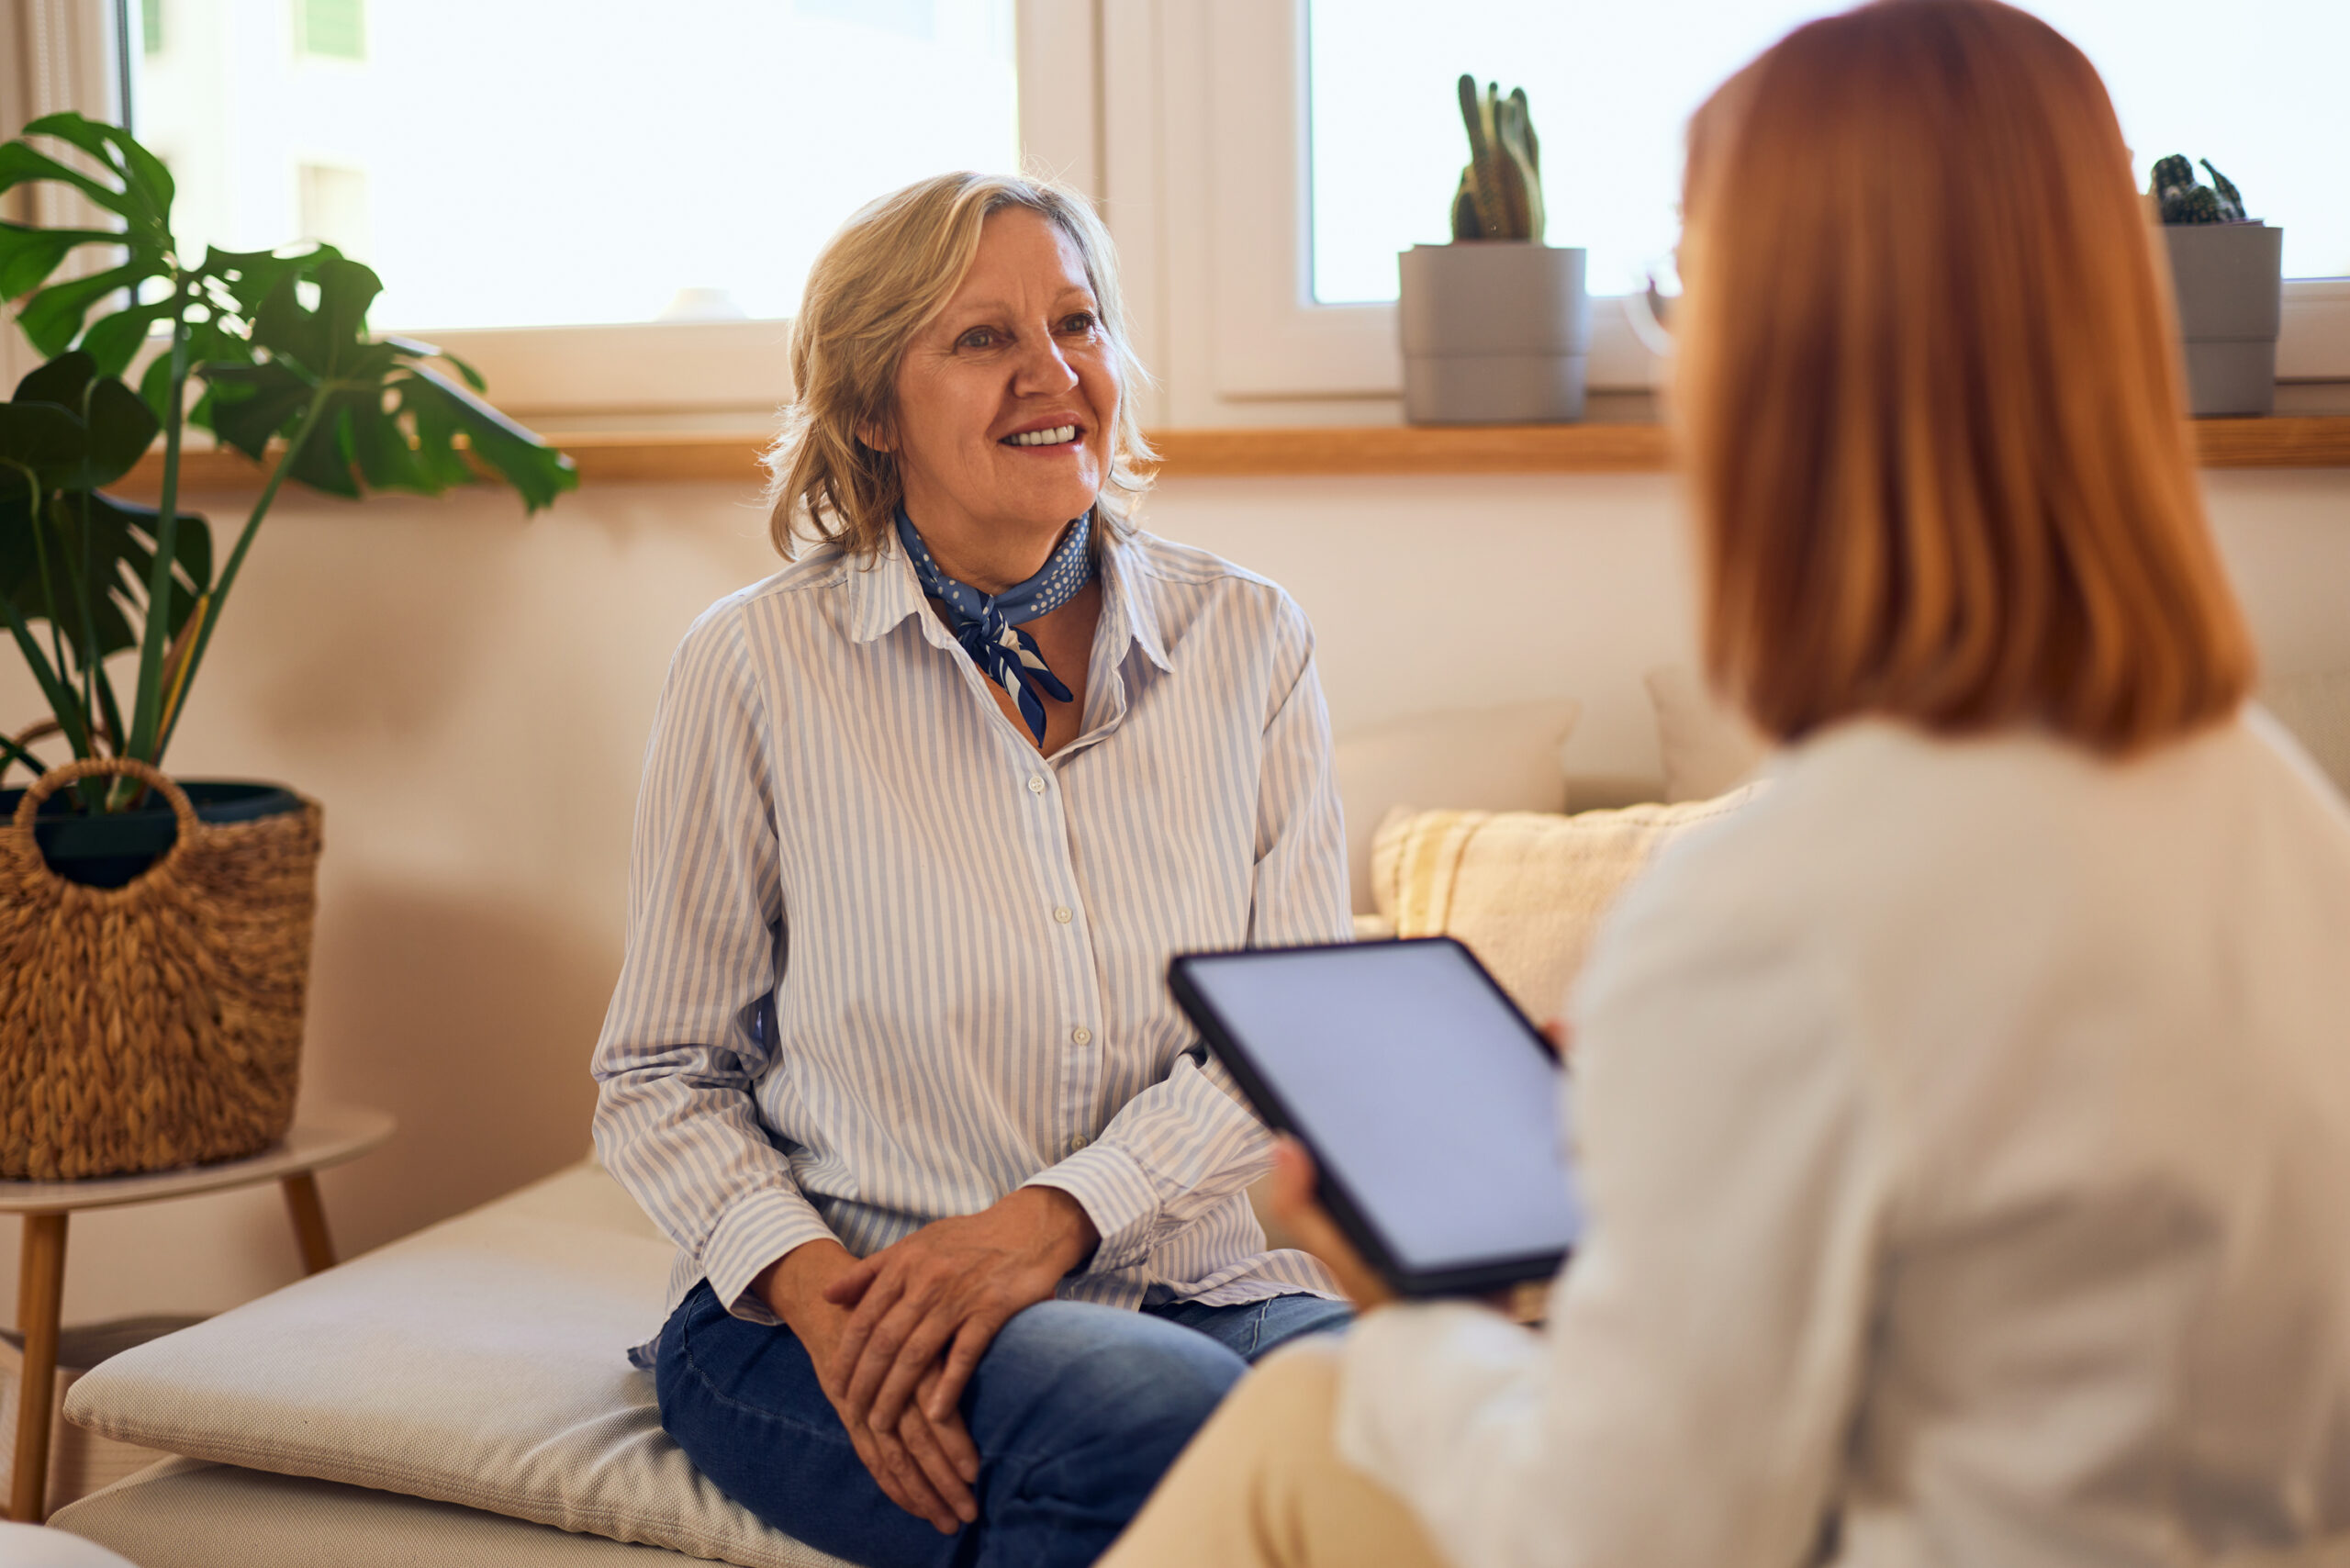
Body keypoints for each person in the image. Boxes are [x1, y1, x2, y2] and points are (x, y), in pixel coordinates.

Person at [1101, 4, 2350, 1565]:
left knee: (1316, 1414)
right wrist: (1683, 1188)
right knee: (1292, 1430)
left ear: (1779, 368)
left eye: (1685, 292)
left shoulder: (1783, 913)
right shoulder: (2276, 811)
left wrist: (1422, 1318)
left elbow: (1612, 1541)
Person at [591, 172, 1351, 1568]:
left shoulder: (1251, 644)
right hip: (843, 1294)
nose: (1051, 372)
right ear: (872, 409)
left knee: (1393, 1422)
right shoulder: (754, 667)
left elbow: (1288, 1041)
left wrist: (1058, 1218)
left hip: (1204, 1278)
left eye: (1077, 324)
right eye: (982, 338)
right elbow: (658, 1078)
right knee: (1157, 1412)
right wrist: (823, 1297)